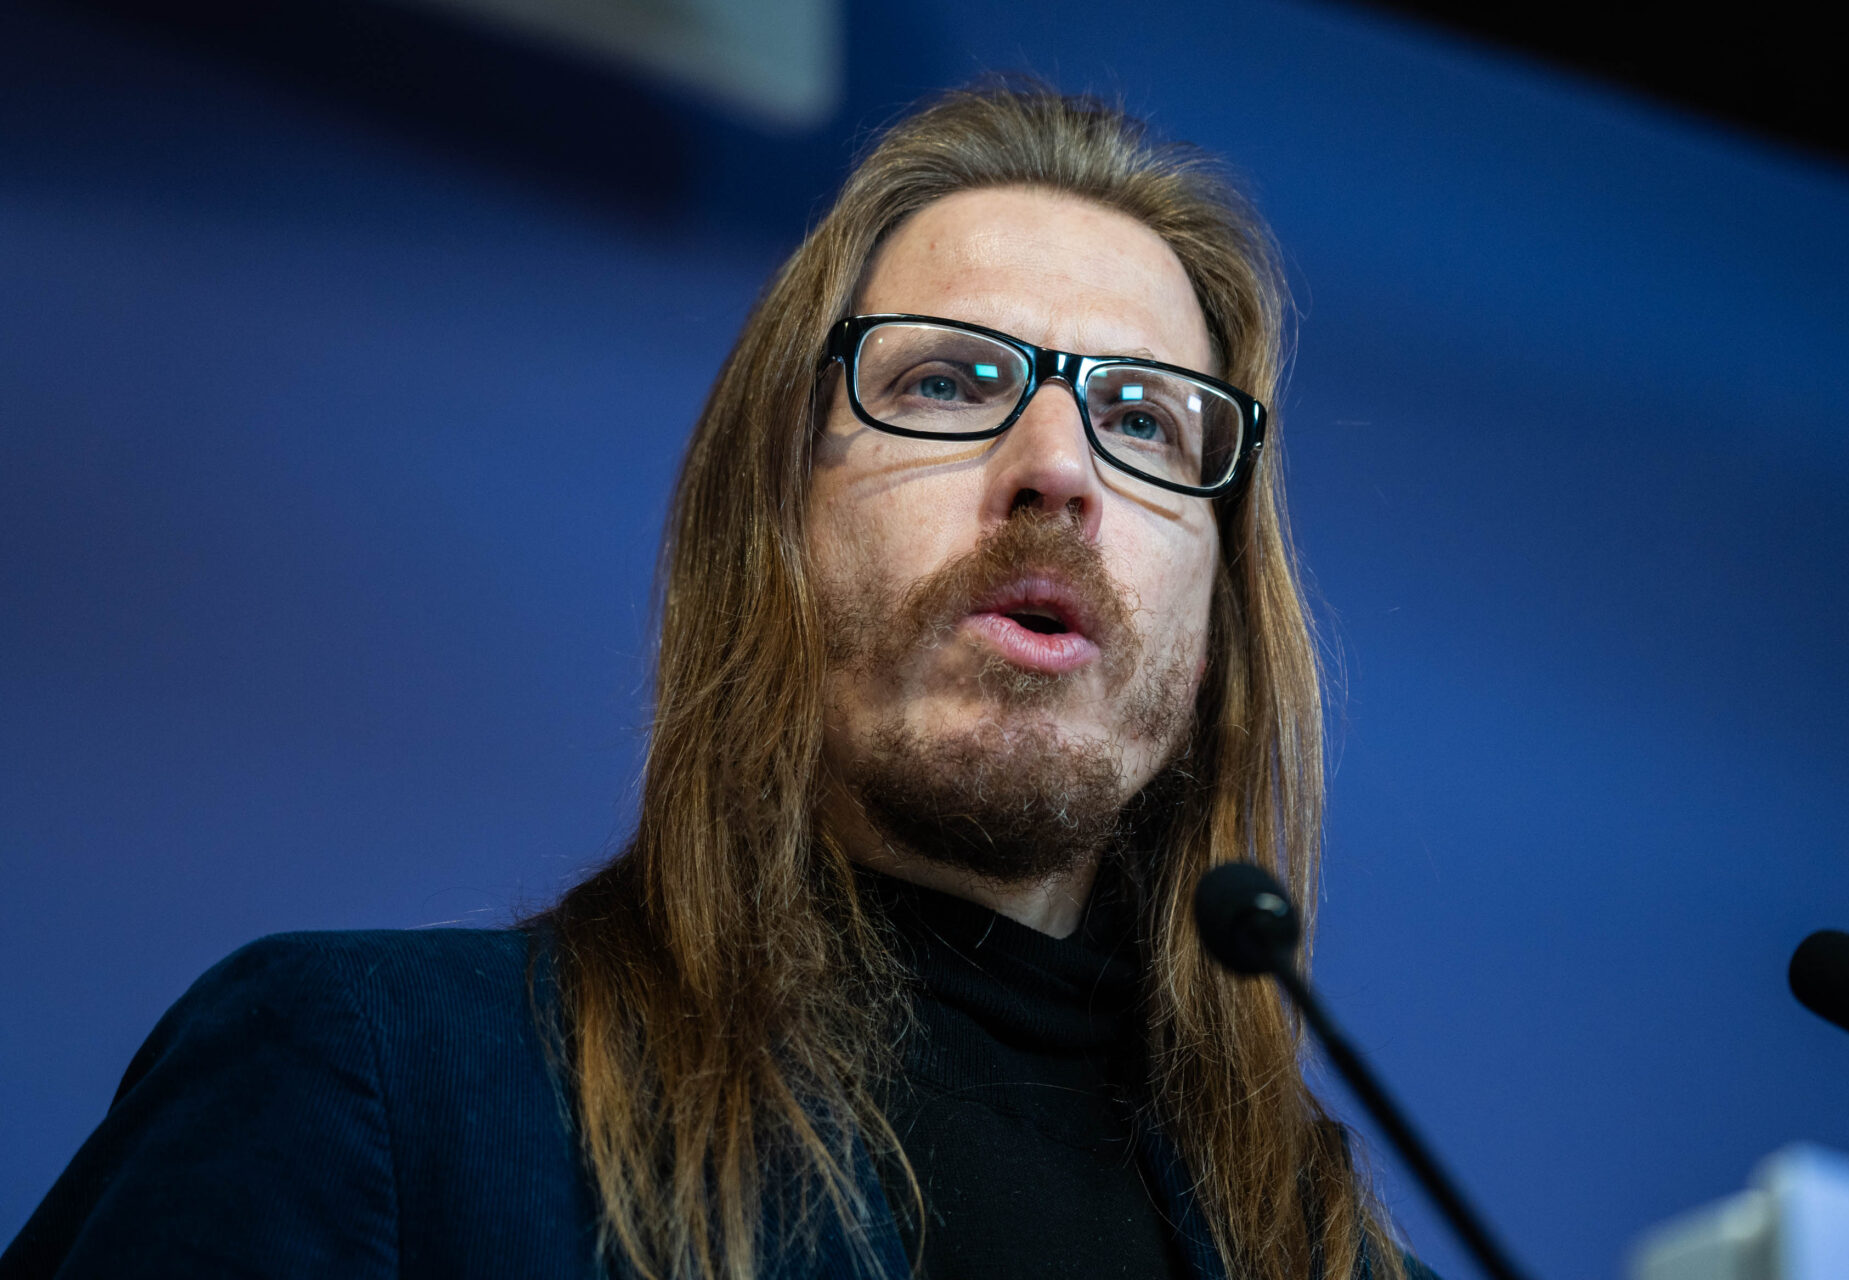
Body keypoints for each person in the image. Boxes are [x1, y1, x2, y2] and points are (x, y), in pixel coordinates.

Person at [1, 85, 1434, 1280]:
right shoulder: (368, 1084)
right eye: (947, 382)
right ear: (774, 530)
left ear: (1218, 609)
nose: (1057, 468)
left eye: (1144, 418)